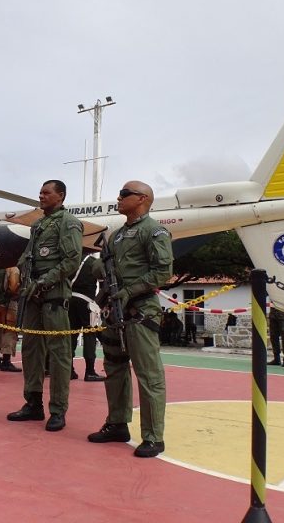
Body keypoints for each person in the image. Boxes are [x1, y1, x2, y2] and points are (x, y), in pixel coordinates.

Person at [88, 181, 173, 458]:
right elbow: (105, 269)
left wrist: (127, 292)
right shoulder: (116, 236)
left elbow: (162, 273)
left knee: (148, 374)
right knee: (113, 367)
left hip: (140, 311)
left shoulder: (154, 231)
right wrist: (99, 268)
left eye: (124, 194)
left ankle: (153, 437)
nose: (119, 197)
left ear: (142, 199)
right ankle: (117, 424)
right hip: (115, 309)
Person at [7, 179, 82, 432]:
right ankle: (33, 403)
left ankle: (58, 410)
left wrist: (43, 282)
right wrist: (16, 270)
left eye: (46, 192)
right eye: (39, 191)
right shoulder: (38, 224)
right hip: (33, 298)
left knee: (59, 355)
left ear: (60, 196)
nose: (40, 195)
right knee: (30, 351)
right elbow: (27, 255)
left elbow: (72, 260)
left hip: (53, 298)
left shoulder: (68, 222)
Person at [69, 252, 104, 381]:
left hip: (71, 299)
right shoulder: (94, 262)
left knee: (71, 336)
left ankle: (69, 370)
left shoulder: (73, 259)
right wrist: (98, 304)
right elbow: (103, 286)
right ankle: (89, 371)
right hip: (87, 301)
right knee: (90, 335)